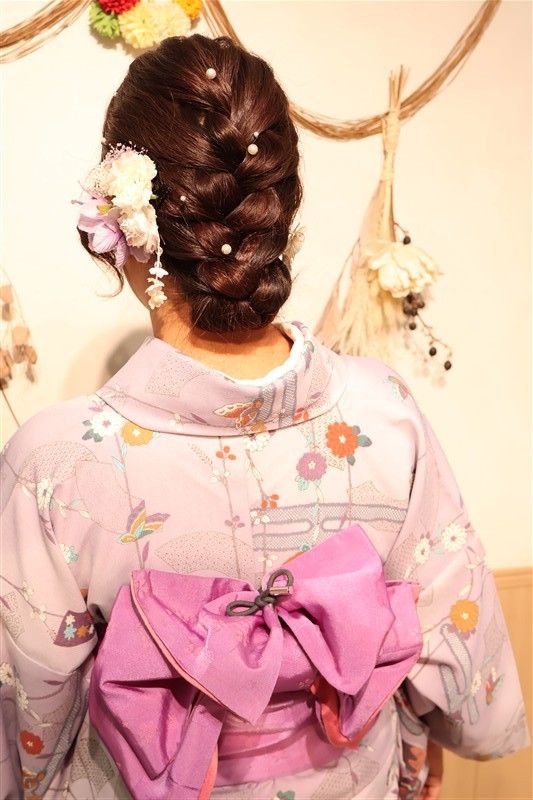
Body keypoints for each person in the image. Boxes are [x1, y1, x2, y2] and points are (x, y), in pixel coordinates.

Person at [0, 34, 528, 800]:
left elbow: (31, 696)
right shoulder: (384, 413)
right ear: (277, 213)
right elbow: (451, 631)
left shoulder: (54, 461)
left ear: (124, 229)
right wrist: (446, 738)